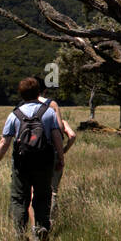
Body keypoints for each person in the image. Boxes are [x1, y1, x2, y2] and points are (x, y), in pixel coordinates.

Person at [0, 77, 64, 241]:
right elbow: (56, 137)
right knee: (42, 196)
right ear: (39, 93)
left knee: (19, 198)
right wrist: (60, 158)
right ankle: (42, 228)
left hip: (22, 163)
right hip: (44, 161)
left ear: (21, 94)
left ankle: (20, 234)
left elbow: (5, 142)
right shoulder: (48, 113)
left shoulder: (14, 114)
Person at [38, 85, 77, 221]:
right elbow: (72, 136)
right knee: (53, 190)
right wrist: (64, 150)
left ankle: (37, 220)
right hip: (54, 154)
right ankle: (51, 220)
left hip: (36, 155)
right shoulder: (61, 121)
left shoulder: (34, 118)